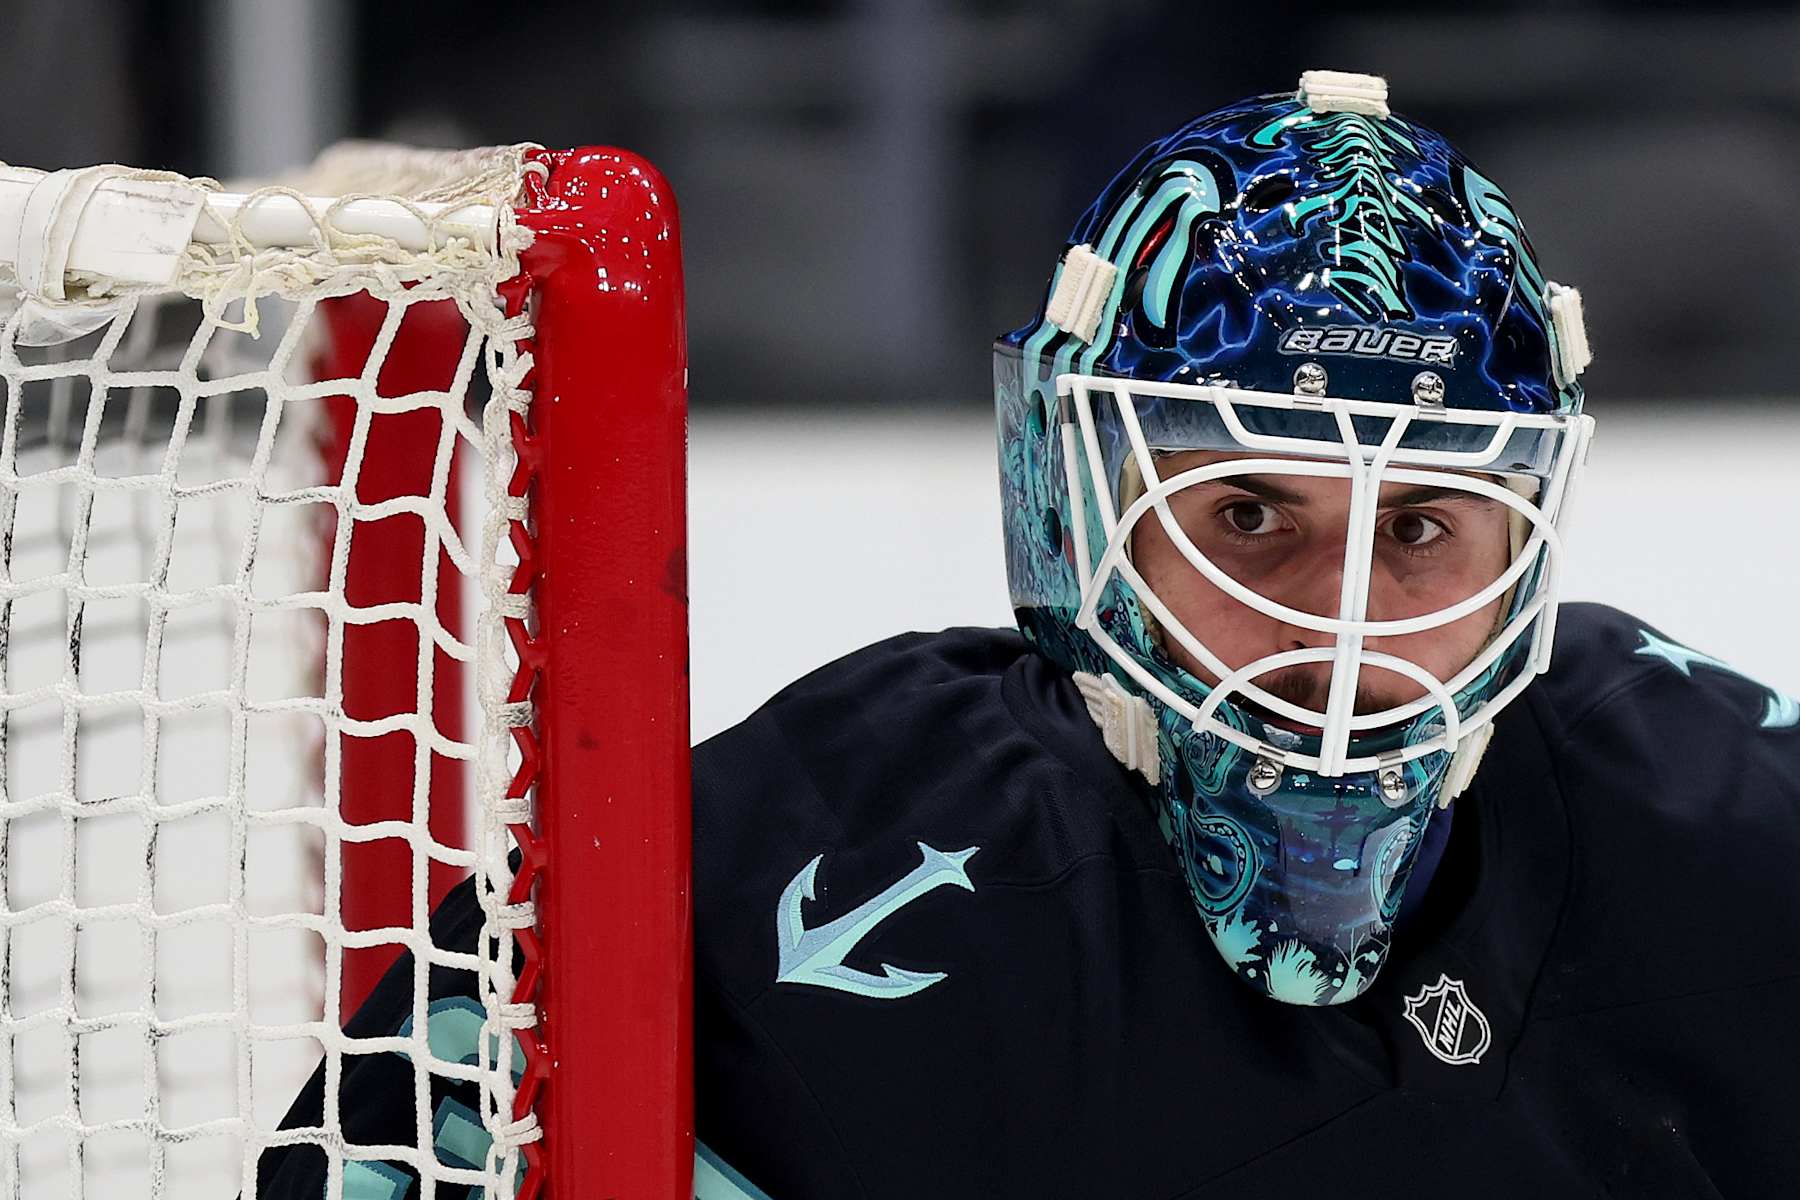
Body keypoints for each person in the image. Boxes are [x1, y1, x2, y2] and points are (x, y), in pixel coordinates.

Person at [258, 69, 1800, 1198]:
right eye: (1250, 518)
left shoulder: (1707, 814)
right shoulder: (787, 868)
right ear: (1075, 507)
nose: (1337, 630)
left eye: (1418, 530)